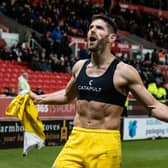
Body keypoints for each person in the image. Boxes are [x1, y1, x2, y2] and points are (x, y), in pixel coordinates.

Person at [30, 14, 168, 168]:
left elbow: (154, 107)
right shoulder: (79, 66)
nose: (92, 31)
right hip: (76, 139)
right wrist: (38, 99)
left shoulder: (124, 72)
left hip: (105, 145)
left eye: (99, 28)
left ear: (111, 38)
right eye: (90, 27)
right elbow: (67, 95)